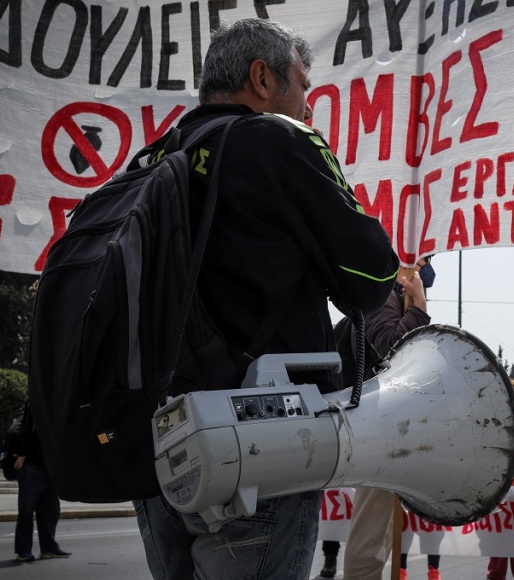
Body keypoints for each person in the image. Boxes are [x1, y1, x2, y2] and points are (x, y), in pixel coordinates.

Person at [130, 19, 399, 580]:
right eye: (302, 85)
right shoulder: (277, 139)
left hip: (157, 445)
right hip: (256, 442)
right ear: (261, 78)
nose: (308, 106)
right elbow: (371, 275)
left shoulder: (155, 158)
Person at [340, 257, 434, 580]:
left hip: (386, 428)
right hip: (379, 429)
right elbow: (395, 350)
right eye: (420, 256)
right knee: (369, 545)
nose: (424, 263)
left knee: (379, 539)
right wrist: (418, 309)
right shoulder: (379, 295)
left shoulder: (390, 295)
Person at [5, 402, 71, 562]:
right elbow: (14, 431)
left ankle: (48, 548)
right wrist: (21, 452)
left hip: (47, 468)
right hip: (32, 468)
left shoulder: (49, 406)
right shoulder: (34, 404)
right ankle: (24, 551)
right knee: (27, 510)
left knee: (50, 509)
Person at [485, 380, 514, 580]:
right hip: (500, 489)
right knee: (497, 551)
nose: (511, 395)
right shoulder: (491, 417)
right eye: (508, 391)